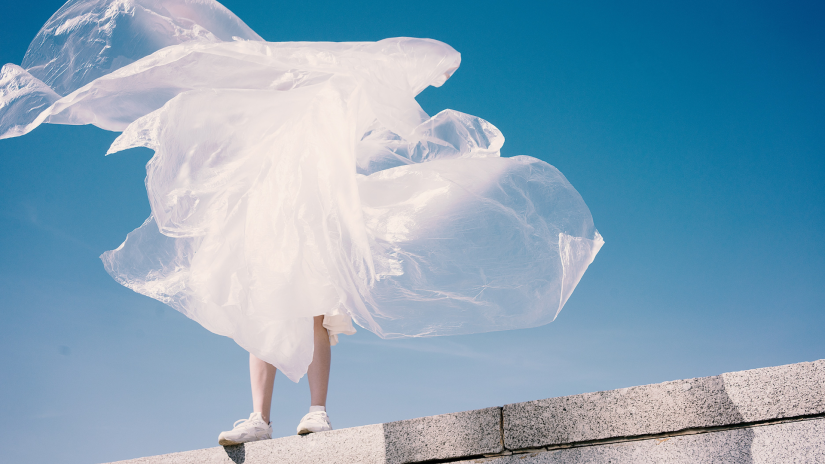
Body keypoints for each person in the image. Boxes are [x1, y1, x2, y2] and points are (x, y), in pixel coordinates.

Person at [0, 0, 603, 447]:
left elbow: (334, 107)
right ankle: (259, 418)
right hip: (262, 224)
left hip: (309, 222)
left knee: (313, 303)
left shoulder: (308, 117)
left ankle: (317, 409)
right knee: (261, 306)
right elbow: (207, 119)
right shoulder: (253, 129)